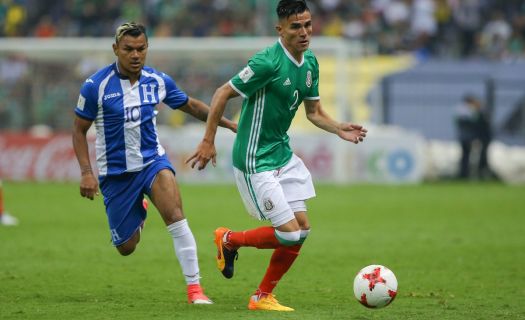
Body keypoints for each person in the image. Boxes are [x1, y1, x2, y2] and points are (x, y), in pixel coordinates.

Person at [186, 0, 367, 312]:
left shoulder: (310, 62)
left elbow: (314, 112)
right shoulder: (267, 62)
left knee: (302, 230)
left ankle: (261, 297)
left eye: (308, 25)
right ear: (280, 29)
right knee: (289, 233)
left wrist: (338, 128)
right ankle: (229, 239)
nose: (304, 32)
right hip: (255, 160)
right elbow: (221, 93)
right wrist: (208, 141)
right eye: (296, 26)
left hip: (282, 154)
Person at [72, 22, 237, 304]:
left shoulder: (157, 81)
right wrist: (87, 172)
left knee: (175, 216)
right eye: (128, 49)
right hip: (116, 174)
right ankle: (140, 210)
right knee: (126, 247)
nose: (136, 55)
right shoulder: (95, 86)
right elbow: (78, 130)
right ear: (116, 50)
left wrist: (228, 123)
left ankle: (195, 289)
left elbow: (191, 105)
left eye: (141, 49)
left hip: (152, 163)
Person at [454, 94, 492, 180]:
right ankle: (468, 174)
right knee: (467, 157)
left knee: (470, 157)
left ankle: (471, 174)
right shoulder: (469, 112)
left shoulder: (466, 112)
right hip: (470, 137)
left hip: (473, 137)